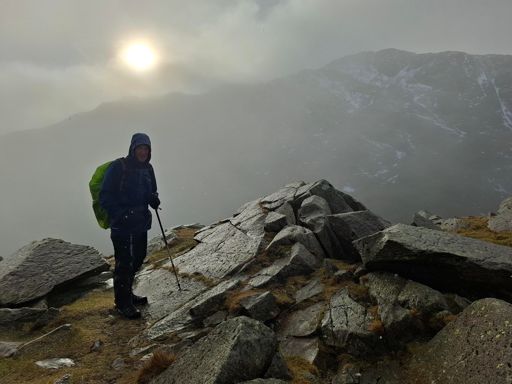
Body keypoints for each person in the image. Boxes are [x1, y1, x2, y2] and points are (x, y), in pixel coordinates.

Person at [99, 133, 160, 319]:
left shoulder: (148, 168)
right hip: (121, 225)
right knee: (124, 262)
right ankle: (122, 303)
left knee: (138, 258)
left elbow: (151, 191)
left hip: (140, 222)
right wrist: (120, 214)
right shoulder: (119, 167)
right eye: (140, 148)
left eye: (146, 148)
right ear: (133, 148)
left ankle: (128, 294)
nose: (143, 151)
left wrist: (154, 200)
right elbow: (105, 196)